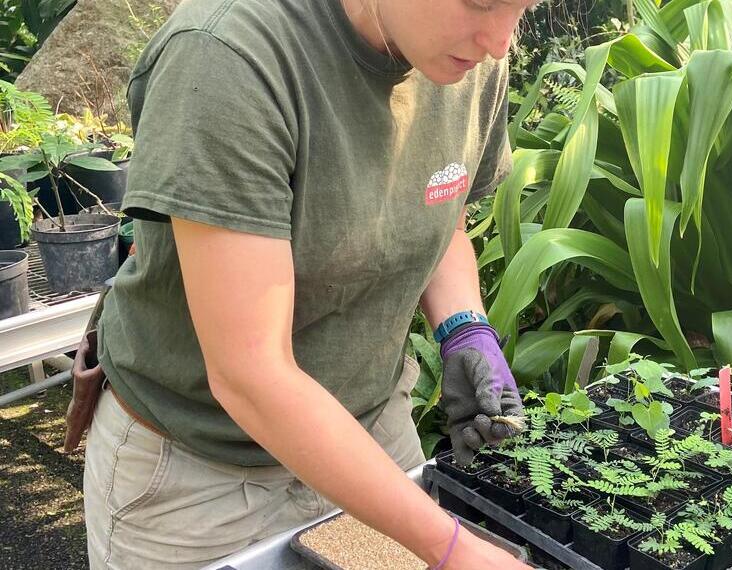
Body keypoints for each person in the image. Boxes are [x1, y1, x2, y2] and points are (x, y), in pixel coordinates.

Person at [78, 0, 538, 568]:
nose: (501, 40)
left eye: (525, 6)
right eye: (483, 2)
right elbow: (250, 373)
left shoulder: (469, 60)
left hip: (370, 430)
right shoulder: (230, 56)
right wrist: (450, 548)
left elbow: (439, 210)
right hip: (200, 471)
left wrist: (465, 327)